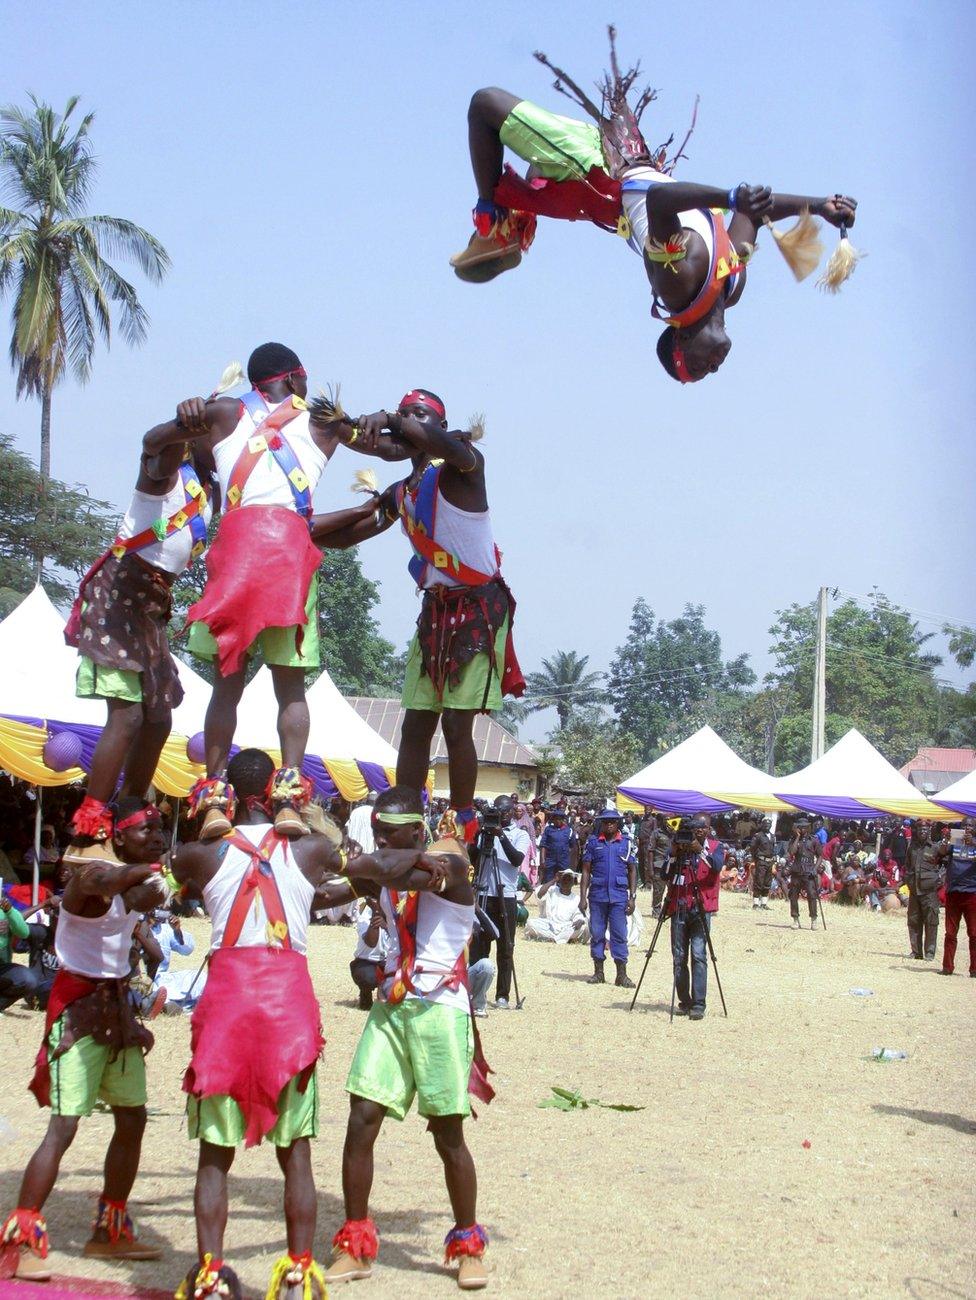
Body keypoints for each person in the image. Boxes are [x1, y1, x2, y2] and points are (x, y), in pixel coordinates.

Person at [170, 749, 434, 1300]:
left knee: (214, 1157)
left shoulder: (193, 855)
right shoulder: (312, 847)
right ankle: (297, 1273)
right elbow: (378, 869)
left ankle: (212, 1278)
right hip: (286, 1003)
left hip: (226, 1004)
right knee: (296, 1154)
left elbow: (174, 882)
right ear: (279, 790)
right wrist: (432, 864)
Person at [449, 32, 857, 382]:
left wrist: (729, 197)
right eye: (704, 374)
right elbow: (752, 214)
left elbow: (662, 201)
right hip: (629, 157)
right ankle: (512, 211)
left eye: (696, 368)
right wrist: (819, 205)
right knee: (497, 118)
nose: (712, 370)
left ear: (681, 339)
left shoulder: (676, 288)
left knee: (485, 105)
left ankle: (492, 219)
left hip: (595, 172)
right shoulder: (730, 288)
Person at [149, 343, 366, 842]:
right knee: (290, 686)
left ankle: (213, 798)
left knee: (227, 683)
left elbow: (177, 449)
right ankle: (289, 799)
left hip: (237, 550)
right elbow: (382, 443)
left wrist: (187, 412)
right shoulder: (323, 422)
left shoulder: (222, 413)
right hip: (289, 555)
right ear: (295, 379)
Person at [306, 388, 525, 844]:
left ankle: (460, 822)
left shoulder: (464, 465)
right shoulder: (401, 492)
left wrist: (388, 416)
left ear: (437, 428)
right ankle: (404, 813)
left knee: (457, 724)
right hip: (436, 611)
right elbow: (347, 538)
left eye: (418, 416)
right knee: (416, 722)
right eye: (404, 416)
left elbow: (417, 433)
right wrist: (293, 522)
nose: (407, 421)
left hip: (478, 609)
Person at [318, 786, 491, 1291]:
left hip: (441, 1009)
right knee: (361, 1119)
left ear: (420, 832)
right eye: (377, 836)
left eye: (392, 837)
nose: (382, 845)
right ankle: (354, 1243)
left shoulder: (451, 867)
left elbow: (397, 869)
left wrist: (361, 863)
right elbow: (338, 887)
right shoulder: (386, 872)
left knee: (447, 1134)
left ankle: (468, 1245)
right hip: (393, 1007)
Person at [0, 799, 169, 1281]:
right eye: (145, 830)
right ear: (116, 838)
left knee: (132, 1119)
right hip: (77, 1015)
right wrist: (150, 868)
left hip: (116, 1013)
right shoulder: (89, 880)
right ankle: (23, 1239)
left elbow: (144, 898)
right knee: (64, 1127)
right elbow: (112, 880)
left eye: (160, 829)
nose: (157, 836)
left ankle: (110, 1229)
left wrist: (164, 875)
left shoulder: (133, 889)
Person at [63, 427, 215, 864]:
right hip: (119, 598)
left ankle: (126, 813)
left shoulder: (209, 490)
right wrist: (182, 425)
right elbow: (153, 447)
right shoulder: (167, 473)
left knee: (159, 721)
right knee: (127, 718)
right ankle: (88, 829)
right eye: (216, 432)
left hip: (151, 607)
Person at [469, 795, 530, 1009]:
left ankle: (502, 995)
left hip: (507, 896)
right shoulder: (485, 831)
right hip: (485, 894)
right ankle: (477, 993)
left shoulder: (520, 835)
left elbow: (516, 860)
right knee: (479, 946)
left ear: (512, 812)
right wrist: (478, 833)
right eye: (497, 812)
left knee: (505, 947)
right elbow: (472, 859)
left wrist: (501, 836)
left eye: (505, 812)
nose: (500, 816)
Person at [667, 816, 724, 1021]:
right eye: (694, 828)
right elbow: (665, 873)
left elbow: (717, 866)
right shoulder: (681, 846)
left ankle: (699, 1004)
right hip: (680, 905)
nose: (698, 831)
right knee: (679, 956)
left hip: (701, 908)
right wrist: (674, 853)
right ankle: (685, 1001)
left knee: (699, 955)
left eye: (702, 828)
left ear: (708, 829)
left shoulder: (716, 847)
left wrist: (699, 849)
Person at [580, 809, 637, 988]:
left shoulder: (627, 844)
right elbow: (586, 870)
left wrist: (632, 897)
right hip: (597, 895)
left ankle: (621, 974)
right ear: (601, 824)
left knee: (619, 934)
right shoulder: (593, 843)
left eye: (613, 821)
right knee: (597, 933)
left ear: (618, 823)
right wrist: (582, 897)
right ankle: (598, 972)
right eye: (606, 822)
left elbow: (632, 870)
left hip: (619, 896)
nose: (609, 824)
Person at [904, 821, 951, 961]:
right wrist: (908, 880)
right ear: (916, 831)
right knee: (913, 921)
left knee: (931, 922)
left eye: (925, 829)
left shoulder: (936, 848)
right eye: (919, 829)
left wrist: (940, 879)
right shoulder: (911, 848)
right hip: (914, 890)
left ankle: (929, 953)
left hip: (930, 891)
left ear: (929, 830)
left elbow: (947, 864)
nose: (922, 832)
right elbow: (907, 866)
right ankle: (916, 952)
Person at [941, 826, 976, 977]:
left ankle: (974, 969)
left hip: (972, 893)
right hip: (953, 892)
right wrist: (946, 839)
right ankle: (947, 967)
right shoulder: (954, 842)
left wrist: (973, 844)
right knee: (950, 933)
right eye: (965, 825)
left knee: (974, 934)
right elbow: (941, 853)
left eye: (971, 825)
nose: (967, 828)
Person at [0, 889, 41, 1011]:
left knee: (28, 980)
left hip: (2, 967)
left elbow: (24, 932)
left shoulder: (5, 911)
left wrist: (10, 912)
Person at [525, 869, 587, 944]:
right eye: (564, 879)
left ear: (574, 882)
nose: (566, 882)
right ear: (560, 881)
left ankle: (553, 939)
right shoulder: (552, 890)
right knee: (531, 923)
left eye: (569, 880)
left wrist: (580, 921)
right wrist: (554, 880)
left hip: (566, 926)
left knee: (583, 927)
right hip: (549, 925)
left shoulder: (576, 898)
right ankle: (561, 939)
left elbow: (579, 915)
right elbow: (539, 894)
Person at [350, 897, 389, 1011]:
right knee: (368, 977)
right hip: (367, 962)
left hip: (389, 962)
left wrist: (387, 926)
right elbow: (371, 942)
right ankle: (365, 993)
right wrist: (376, 912)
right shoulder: (364, 916)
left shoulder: (396, 913)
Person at [787, 818, 823, 931]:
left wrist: (815, 869)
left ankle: (813, 919)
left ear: (808, 827)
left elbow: (820, 856)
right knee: (793, 895)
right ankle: (795, 919)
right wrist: (797, 837)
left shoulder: (814, 840)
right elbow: (792, 852)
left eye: (804, 827)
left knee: (812, 895)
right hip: (797, 870)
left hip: (809, 871)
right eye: (800, 827)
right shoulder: (793, 839)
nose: (802, 829)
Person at [538, 808, 576, 885]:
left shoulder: (569, 830)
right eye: (556, 819)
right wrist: (542, 860)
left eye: (560, 819)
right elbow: (543, 845)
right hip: (550, 859)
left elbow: (572, 846)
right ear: (553, 820)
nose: (558, 821)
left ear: (563, 820)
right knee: (549, 880)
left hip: (563, 860)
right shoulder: (548, 829)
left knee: (563, 879)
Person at [750, 818, 776, 911]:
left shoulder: (773, 836)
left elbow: (773, 849)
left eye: (769, 824)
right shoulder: (758, 836)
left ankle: (764, 903)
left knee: (767, 882)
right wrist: (755, 859)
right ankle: (756, 904)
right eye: (765, 824)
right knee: (759, 882)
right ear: (762, 824)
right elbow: (752, 848)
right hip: (761, 861)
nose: (767, 826)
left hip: (770, 861)